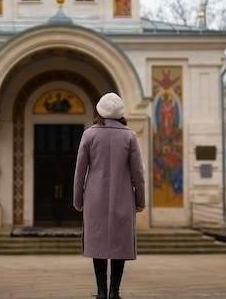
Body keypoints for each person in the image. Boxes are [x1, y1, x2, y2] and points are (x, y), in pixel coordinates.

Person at [73, 92, 146, 299]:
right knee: (119, 245)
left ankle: (100, 292)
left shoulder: (89, 135)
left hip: (94, 200)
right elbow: (137, 174)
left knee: (97, 245)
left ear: (99, 111)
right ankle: (114, 291)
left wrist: (78, 200)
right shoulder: (129, 136)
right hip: (122, 199)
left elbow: (80, 171)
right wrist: (140, 201)